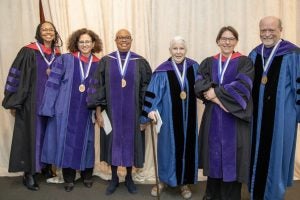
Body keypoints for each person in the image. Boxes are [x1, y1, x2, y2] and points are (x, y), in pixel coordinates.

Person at [87, 29, 152, 195]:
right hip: (111, 113)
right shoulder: (106, 61)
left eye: (127, 37)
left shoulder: (140, 62)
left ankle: (129, 177)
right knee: (112, 142)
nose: (124, 40)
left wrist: (145, 116)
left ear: (131, 40)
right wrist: (99, 112)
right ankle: (114, 178)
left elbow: (147, 90)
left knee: (132, 143)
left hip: (134, 113)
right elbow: (98, 87)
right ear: (115, 40)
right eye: (120, 38)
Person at [39, 28, 102, 192]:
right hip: (65, 109)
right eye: (81, 42)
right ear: (76, 43)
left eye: (88, 41)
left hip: (88, 111)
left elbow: (103, 90)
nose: (85, 44)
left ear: (93, 43)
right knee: (66, 141)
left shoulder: (99, 63)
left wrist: (100, 111)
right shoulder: (65, 60)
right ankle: (69, 177)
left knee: (87, 142)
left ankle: (87, 174)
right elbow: (53, 83)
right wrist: (49, 107)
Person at [195, 26, 254, 200]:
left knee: (233, 157)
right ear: (218, 41)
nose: (227, 42)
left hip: (234, 119)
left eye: (231, 39)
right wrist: (216, 99)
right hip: (213, 117)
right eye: (223, 38)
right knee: (214, 155)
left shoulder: (245, 62)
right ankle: (211, 194)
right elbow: (199, 84)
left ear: (236, 41)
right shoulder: (208, 62)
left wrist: (215, 92)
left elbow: (243, 87)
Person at [2, 21, 62, 191]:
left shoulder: (57, 53)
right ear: (39, 32)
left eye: (51, 29)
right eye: (44, 29)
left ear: (55, 33)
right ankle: (29, 173)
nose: (48, 32)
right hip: (32, 102)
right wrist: (14, 100)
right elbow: (15, 74)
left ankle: (45, 167)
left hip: (52, 102)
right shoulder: (28, 51)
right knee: (33, 135)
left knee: (49, 134)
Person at [248, 16, 300, 200]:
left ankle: (273, 195)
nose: (267, 33)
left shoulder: (293, 54)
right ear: (259, 31)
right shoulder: (254, 54)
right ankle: (256, 193)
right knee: (256, 153)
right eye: (264, 30)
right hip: (256, 118)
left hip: (282, 117)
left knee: (277, 156)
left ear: (281, 30)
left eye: (272, 29)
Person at [143, 36, 199, 199]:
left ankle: (185, 183)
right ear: (170, 50)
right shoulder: (162, 70)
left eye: (181, 48)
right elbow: (153, 93)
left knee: (187, 148)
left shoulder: (194, 67)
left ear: (185, 50)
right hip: (168, 120)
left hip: (189, 119)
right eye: (175, 48)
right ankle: (163, 180)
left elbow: (202, 87)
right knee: (167, 149)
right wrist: (150, 111)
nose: (178, 52)